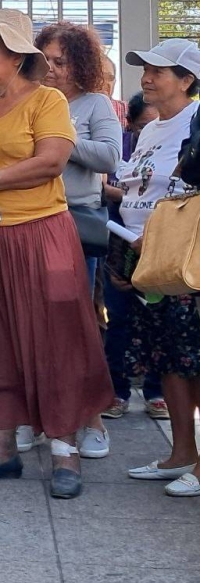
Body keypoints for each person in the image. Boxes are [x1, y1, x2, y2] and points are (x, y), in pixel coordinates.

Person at [0, 9, 113, 501]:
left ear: (18, 58)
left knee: (55, 341)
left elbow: (52, 160)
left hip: (41, 235)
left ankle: (65, 451)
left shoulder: (48, 100)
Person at [112, 39, 200, 497]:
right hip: (146, 257)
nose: (146, 77)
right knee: (167, 358)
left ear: (187, 80)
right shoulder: (150, 129)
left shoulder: (196, 120)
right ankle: (181, 452)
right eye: (145, 68)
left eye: (158, 71)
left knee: (193, 359)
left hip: (183, 259)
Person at [31, 22, 121, 460]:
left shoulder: (94, 103)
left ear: (80, 65)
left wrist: (61, 140)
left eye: (60, 62)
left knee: (75, 327)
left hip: (72, 221)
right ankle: (39, 417)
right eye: (44, 59)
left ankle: (92, 420)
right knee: (32, 326)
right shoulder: (27, 100)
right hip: (28, 222)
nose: (50, 69)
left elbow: (109, 156)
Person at [101, 93, 165, 420]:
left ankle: (156, 392)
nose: (149, 132)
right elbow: (106, 187)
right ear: (131, 125)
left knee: (159, 321)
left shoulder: (176, 142)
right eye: (142, 126)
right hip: (121, 239)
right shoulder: (122, 146)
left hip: (164, 243)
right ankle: (118, 390)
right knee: (120, 318)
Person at [103, 54, 128, 129]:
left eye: (110, 78)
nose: (104, 82)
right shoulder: (72, 110)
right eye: (99, 77)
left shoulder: (127, 110)